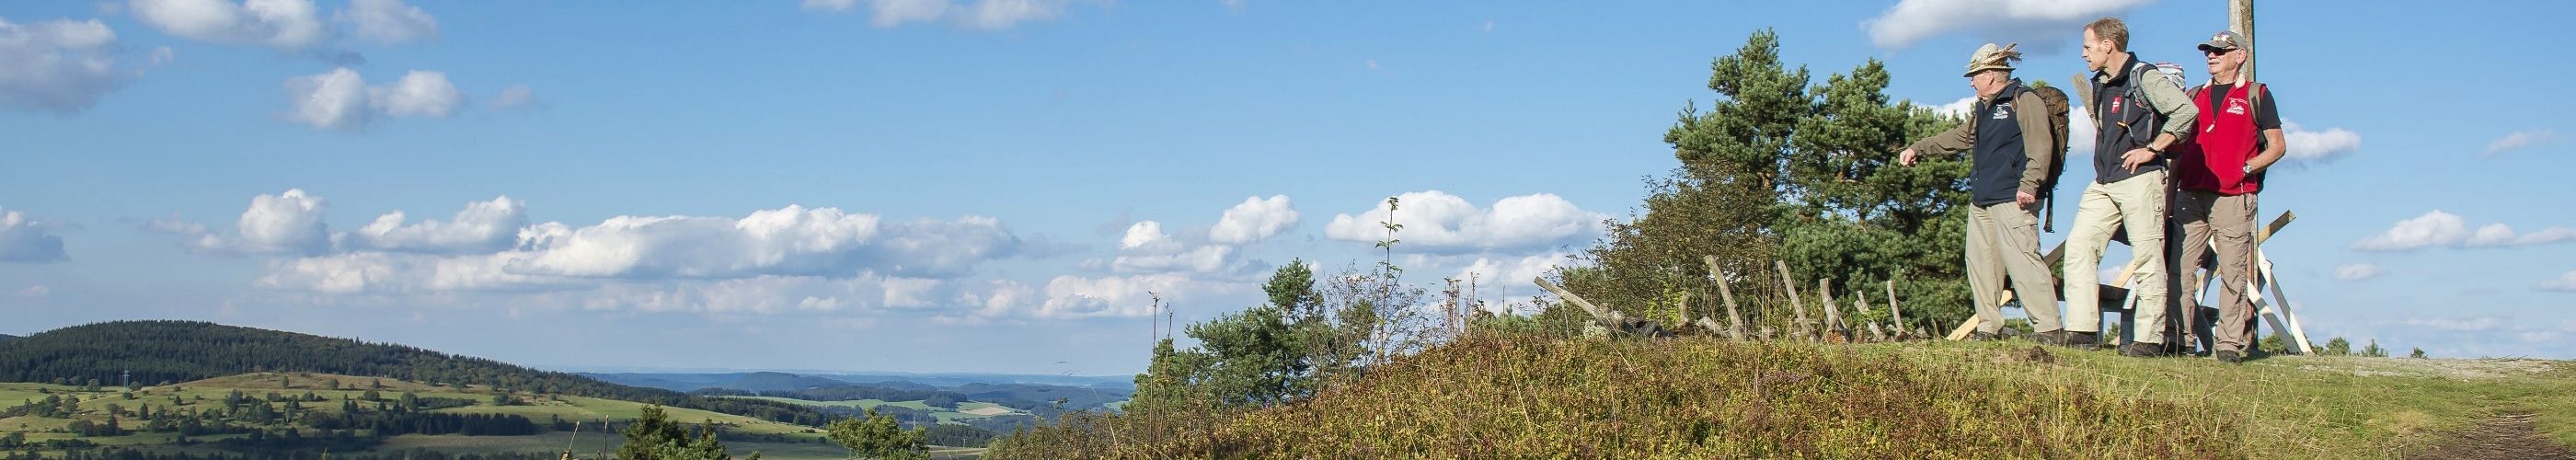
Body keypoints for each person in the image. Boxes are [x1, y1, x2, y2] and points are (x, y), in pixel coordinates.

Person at [1898, 43, 2062, 341]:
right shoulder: (1984, 109)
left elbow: (2041, 145)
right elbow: (1960, 137)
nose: (1972, 82)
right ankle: (1989, 326)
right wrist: (1918, 148)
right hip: (1982, 201)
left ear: (1989, 75)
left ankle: (2049, 329)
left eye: (1974, 76)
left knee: (2023, 261)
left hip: (2015, 198)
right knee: (1981, 264)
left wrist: (2029, 185)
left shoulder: (2023, 100)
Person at [2066, 17, 2198, 357]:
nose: (2083, 54)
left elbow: (2186, 111)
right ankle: (2081, 331)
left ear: (2107, 45)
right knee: (2080, 247)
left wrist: (2153, 148)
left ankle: (2149, 340)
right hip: (2104, 181)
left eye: (2087, 46)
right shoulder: (2102, 82)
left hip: (2141, 179)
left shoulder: (2145, 76)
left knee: (2147, 258)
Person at [2173, 30, 2283, 364]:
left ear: (2240, 56)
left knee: (2233, 272)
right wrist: (2169, 193)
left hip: (2234, 195)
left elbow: (2277, 146)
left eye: (2221, 51)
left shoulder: (2256, 94)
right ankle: (2181, 338)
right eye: (2209, 51)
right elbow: (2179, 151)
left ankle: (2228, 344)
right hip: (2190, 194)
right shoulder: (2193, 95)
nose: (2212, 56)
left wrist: (2247, 167)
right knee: (2179, 267)